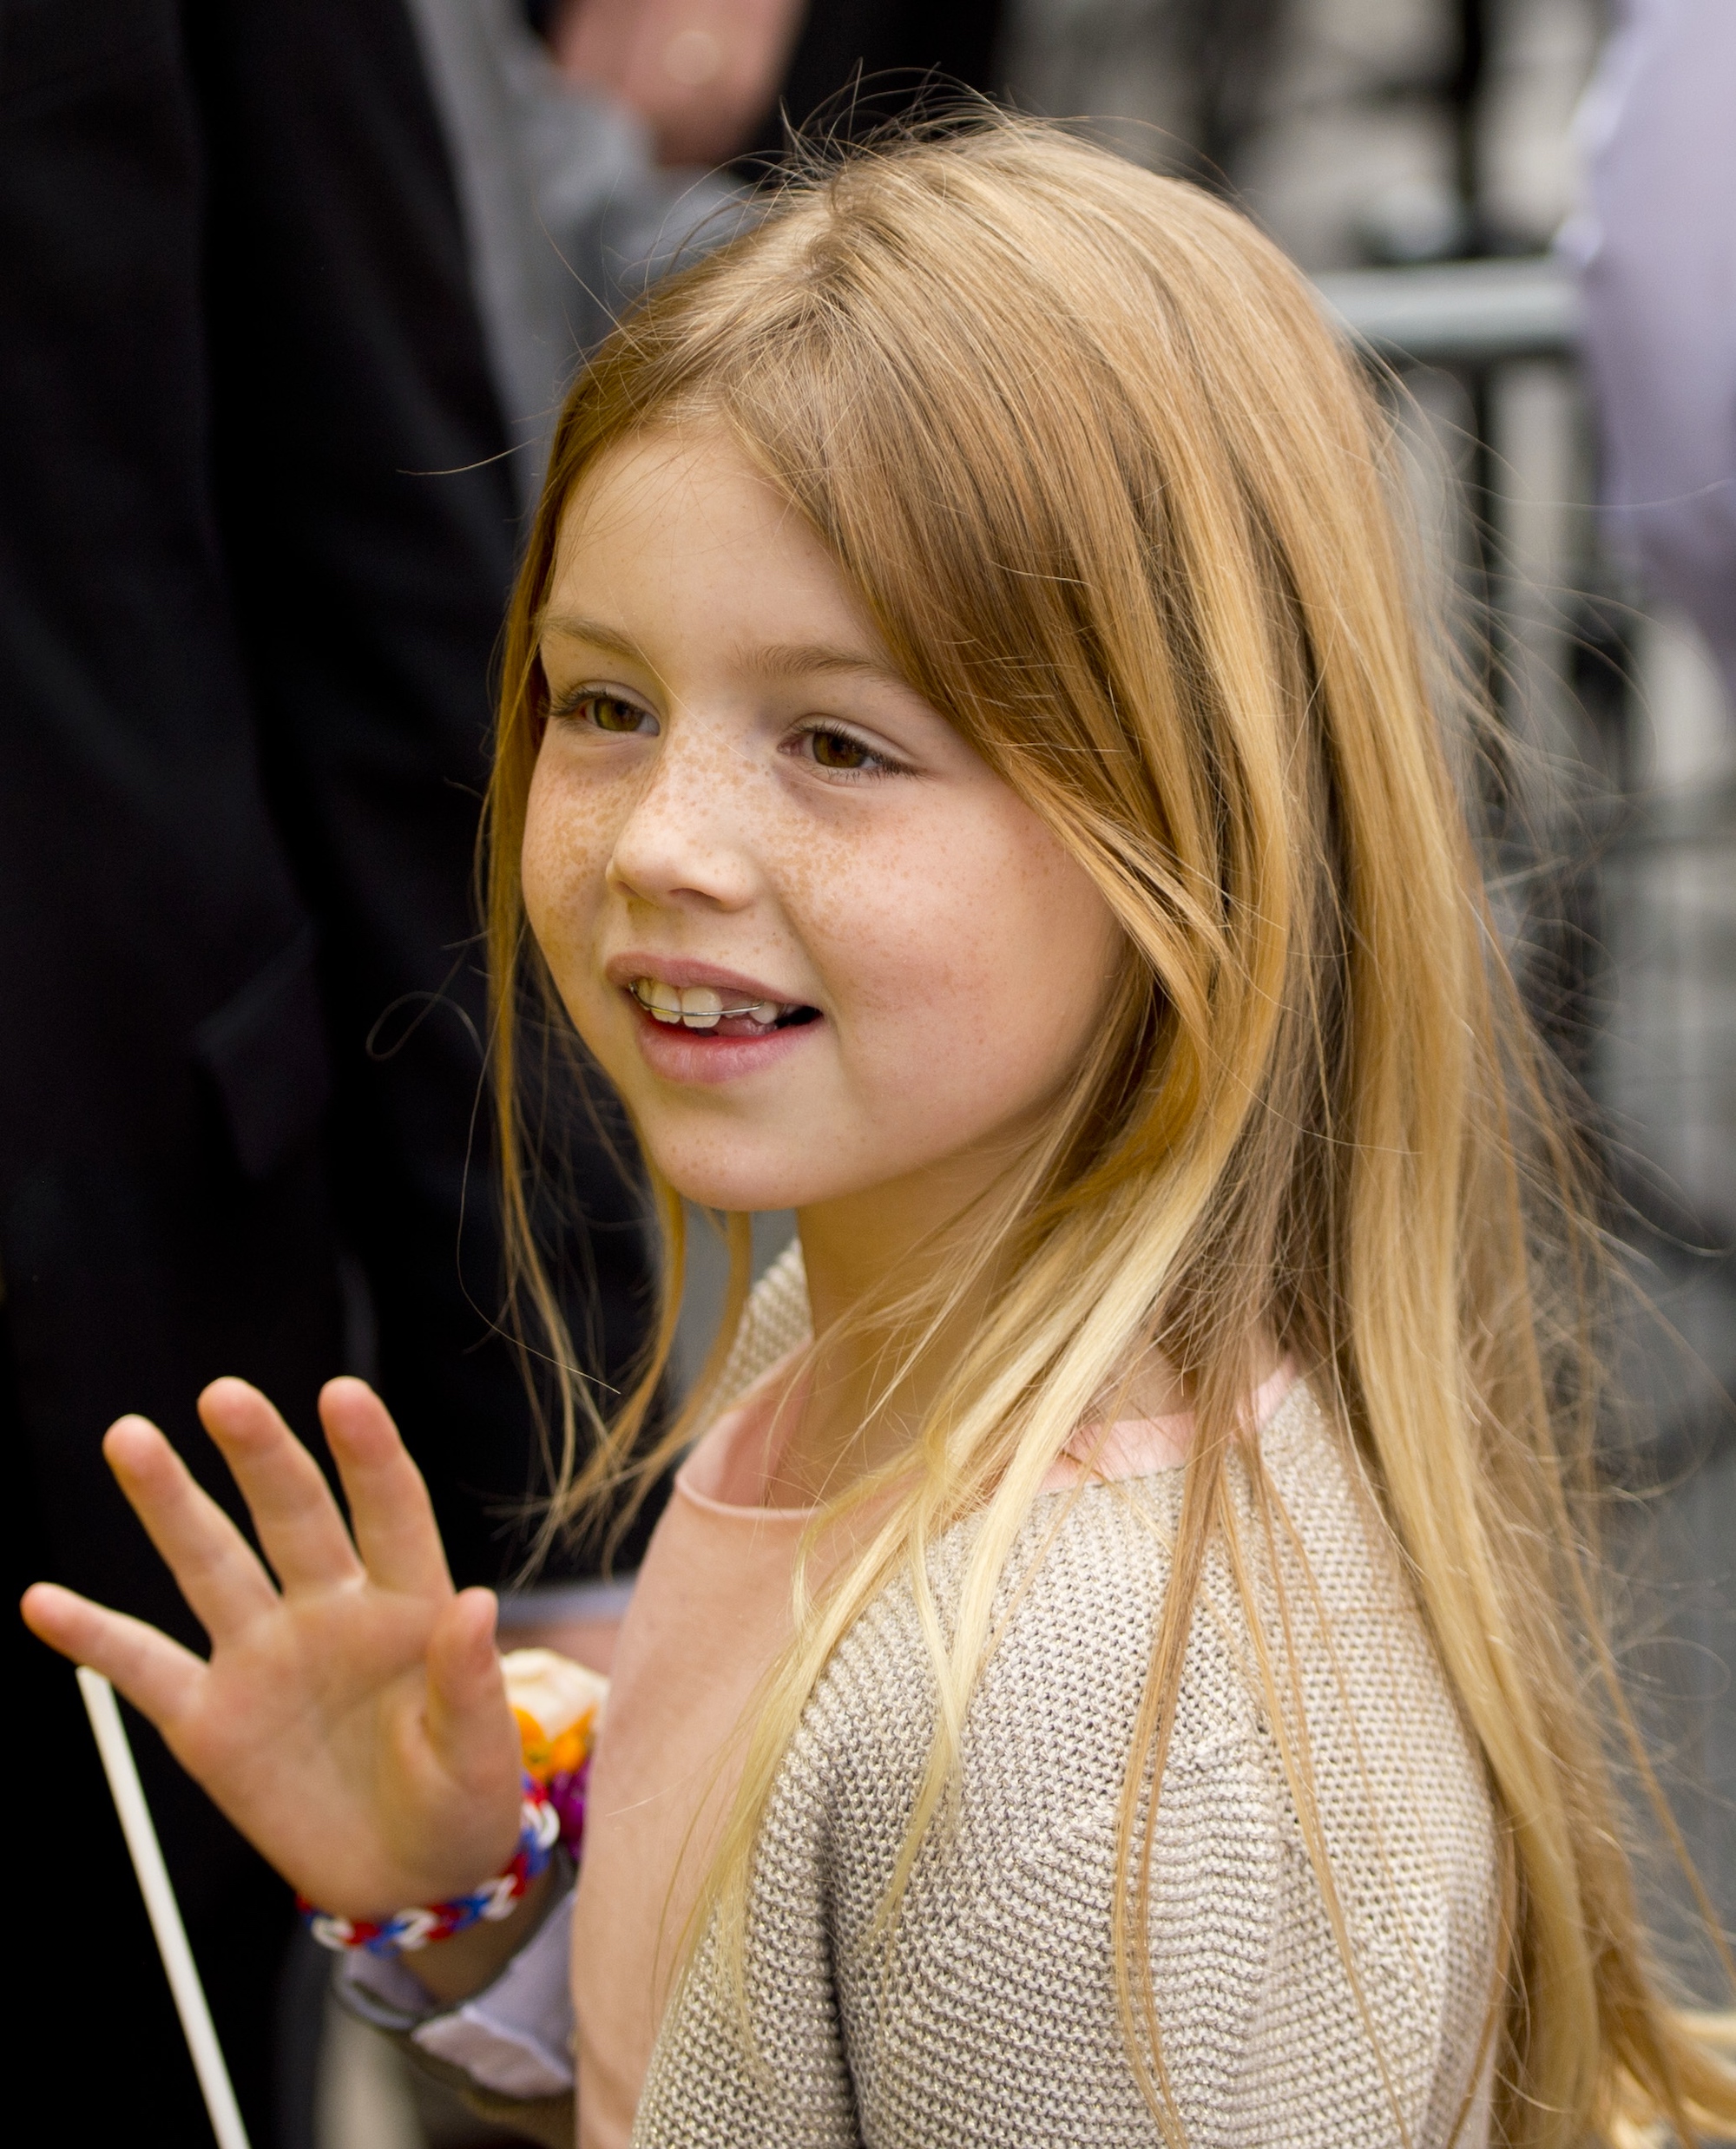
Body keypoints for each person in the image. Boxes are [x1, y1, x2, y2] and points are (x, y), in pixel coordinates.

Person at [23, 121, 1736, 2148]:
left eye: (838, 740)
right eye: (603, 704)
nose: (661, 842)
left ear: (1189, 827)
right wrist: (460, 1896)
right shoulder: (845, 1347)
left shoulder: (1084, 1745)